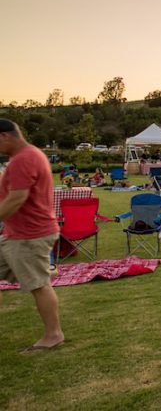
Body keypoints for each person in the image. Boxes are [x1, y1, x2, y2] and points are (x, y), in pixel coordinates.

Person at [0, 119, 65, 352]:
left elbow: (17, 197)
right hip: (15, 233)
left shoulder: (25, 159)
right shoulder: (24, 158)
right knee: (36, 278)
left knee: (38, 285)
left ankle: (53, 335)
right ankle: (47, 269)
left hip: (30, 234)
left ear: (5, 136)